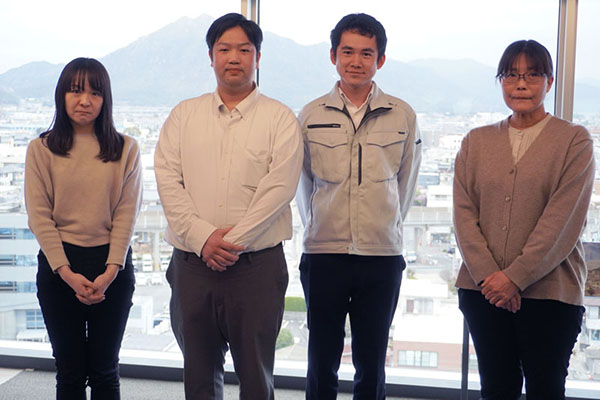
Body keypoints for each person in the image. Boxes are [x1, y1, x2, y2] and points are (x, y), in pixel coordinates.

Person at [154, 12, 303, 400]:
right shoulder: (183, 115)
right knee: (199, 376)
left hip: (256, 269)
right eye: (224, 49)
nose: (233, 57)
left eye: (244, 49)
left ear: (258, 57)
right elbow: (168, 181)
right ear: (211, 57)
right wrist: (203, 239)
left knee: (256, 376)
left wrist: (229, 243)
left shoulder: (280, 118)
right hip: (192, 267)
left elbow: (279, 189)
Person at [454, 39, 595, 400]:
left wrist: (514, 278)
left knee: (545, 389)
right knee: (496, 388)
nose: (521, 84)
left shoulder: (574, 141)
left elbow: (562, 222)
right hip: (483, 291)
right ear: (501, 81)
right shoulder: (476, 141)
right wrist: (491, 278)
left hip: (551, 294)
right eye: (511, 75)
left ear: (549, 82)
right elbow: (464, 215)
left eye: (532, 75)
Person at [295, 13, 422, 400]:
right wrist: (319, 226)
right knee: (321, 359)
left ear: (380, 59)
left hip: (381, 255)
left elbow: (406, 183)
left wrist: (386, 226)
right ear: (333, 55)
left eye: (366, 53)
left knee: (372, 359)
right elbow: (303, 184)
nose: (356, 61)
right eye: (347, 51)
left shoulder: (402, 114)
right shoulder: (311, 114)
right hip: (324, 254)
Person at [25, 57, 142, 400]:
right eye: (75, 91)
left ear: (106, 100)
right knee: (70, 371)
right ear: (61, 95)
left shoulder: (126, 149)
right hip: (59, 266)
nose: (84, 101)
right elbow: (39, 216)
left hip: (112, 265)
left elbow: (127, 214)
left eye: (95, 93)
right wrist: (66, 273)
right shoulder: (41, 149)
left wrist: (111, 271)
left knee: (105, 370)